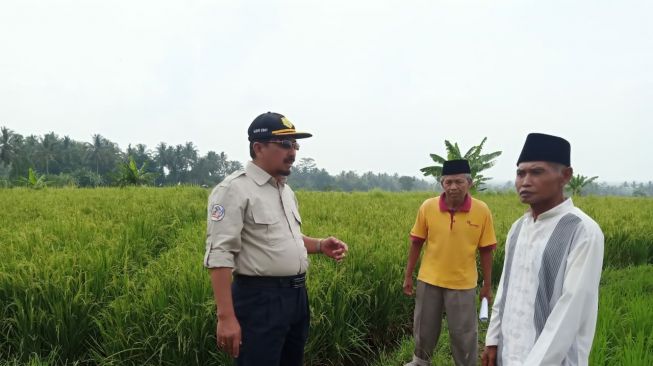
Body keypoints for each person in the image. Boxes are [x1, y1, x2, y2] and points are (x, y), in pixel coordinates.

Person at [203, 112, 349, 366]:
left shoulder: (284, 189)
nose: (292, 152)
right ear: (258, 147)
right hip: (260, 301)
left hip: (296, 298)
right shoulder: (234, 190)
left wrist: (318, 244)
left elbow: (284, 237)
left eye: (295, 144)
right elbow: (219, 254)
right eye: (284, 144)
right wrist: (226, 317)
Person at [482, 133, 604, 366]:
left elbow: (571, 309)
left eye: (536, 172)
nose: (525, 181)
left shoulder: (582, 231)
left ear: (565, 176)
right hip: (508, 355)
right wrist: (492, 340)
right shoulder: (518, 228)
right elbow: (505, 290)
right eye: (520, 173)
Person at [404, 159, 497, 366]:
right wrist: (408, 275)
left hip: (463, 283)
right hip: (429, 279)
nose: (453, 187)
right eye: (448, 182)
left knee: (464, 333)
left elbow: (487, 250)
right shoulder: (428, 207)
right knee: (424, 327)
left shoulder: (482, 211)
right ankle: (420, 361)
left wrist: (487, 286)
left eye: (459, 182)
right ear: (442, 184)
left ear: (469, 183)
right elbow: (416, 242)